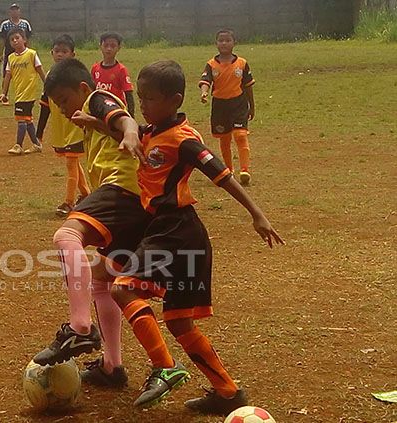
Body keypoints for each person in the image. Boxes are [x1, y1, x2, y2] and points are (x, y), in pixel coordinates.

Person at [109, 60, 283, 414]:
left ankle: (165, 366)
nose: (143, 105)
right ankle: (228, 392)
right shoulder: (149, 131)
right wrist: (99, 122)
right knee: (178, 321)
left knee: (121, 287)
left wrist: (257, 214)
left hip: (177, 230)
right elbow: (114, 119)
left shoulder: (184, 139)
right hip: (173, 232)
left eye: (150, 99)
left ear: (174, 100)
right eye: (140, 98)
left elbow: (222, 175)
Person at [31, 58, 152, 389]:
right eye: (57, 106)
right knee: (103, 278)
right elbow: (110, 126)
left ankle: (80, 329)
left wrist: (130, 133)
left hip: (123, 188)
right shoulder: (90, 114)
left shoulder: (99, 97)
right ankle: (112, 368)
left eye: (64, 101)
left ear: (82, 89)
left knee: (66, 235)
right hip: (131, 198)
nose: (64, 110)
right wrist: (94, 124)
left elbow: (125, 119)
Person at [35, 34, 90, 217]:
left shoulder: (76, 77)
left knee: (70, 162)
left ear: (73, 54)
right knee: (72, 161)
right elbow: (44, 104)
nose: (60, 55)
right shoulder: (51, 76)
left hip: (75, 125)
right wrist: (40, 131)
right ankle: (86, 194)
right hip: (60, 127)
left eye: (64, 51)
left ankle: (68, 202)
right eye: (57, 51)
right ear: (51, 53)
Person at [199, 28, 256, 185]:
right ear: (216, 43)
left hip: (238, 104)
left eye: (227, 40)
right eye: (221, 40)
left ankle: (245, 170)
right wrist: (204, 93)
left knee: (240, 135)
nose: (224, 43)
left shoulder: (242, 64)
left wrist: (252, 106)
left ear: (234, 43)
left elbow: (248, 87)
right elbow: (206, 81)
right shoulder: (211, 64)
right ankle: (228, 171)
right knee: (224, 139)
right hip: (220, 106)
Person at [0, 28, 46, 155]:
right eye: (12, 39)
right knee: (27, 120)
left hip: (28, 93)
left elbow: (40, 71)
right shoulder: (11, 58)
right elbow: (8, 76)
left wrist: (48, 85)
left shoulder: (31, 54)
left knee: (21, 120)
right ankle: (36, 144)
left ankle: (18, 145)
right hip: (19, 93)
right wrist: (4, 93)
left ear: (24, 39)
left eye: (17, 38)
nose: (15, 41)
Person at [91, 32, 135, 117]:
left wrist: (131, 115)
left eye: (113, 46)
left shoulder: (121, 70)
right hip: (99, 109)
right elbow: (91, 91)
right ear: (100, 46)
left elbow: (128, 94)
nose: (109, 49)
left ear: (118, 48)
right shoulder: (95, 68)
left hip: (116, 111)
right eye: (106, 45)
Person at [0, 2, 33, 97]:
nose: (15, 12)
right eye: (13, 10)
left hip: (23, 52)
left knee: (24, 73)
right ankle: (4, 94)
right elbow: (2, 40)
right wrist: (0, 53)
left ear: (19, 11)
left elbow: (28, 38)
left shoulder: (25, 24)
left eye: (16, 10)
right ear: (10, 12)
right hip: (9, 52)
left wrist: (29, 50)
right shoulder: (5, 25)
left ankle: (25, 93)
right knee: (7, 74)